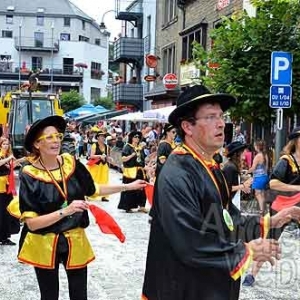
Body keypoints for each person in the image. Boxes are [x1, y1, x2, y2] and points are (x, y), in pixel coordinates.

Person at [141, 85, 300, 300]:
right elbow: (189, 241)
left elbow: (224, 220)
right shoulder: (176, 172)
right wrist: (247, 251)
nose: (220, 124)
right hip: (183, 288)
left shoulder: (209, 166)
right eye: (210, 117)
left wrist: (270, 221)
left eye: (221, 116)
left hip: (210, 285)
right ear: (187, 126)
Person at [17, 116, 146, 300]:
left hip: (74, 240)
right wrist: (66, 211)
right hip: (44, 243)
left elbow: (93, 189)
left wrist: (128, 186)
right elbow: (32, 224)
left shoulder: (70, 162)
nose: (56, 141)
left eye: (58, 136)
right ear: (37, 144)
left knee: (79, 296)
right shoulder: (29, 174)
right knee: (49, 296)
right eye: (49, 137)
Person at [243, 127, 300, 287]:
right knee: (270, 241)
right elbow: (273, 182)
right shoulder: (286, 161)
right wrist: (297, 188)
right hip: (283, 206)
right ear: (296, 141)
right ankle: (251, 275)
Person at [118, 131, 148, 213]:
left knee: (142, 188)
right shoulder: (127, 147)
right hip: (130, 172)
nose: (137, 138)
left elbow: (142, 159)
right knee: (130, 188)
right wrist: (131, 155)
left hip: (140, 171)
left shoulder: (140, 148)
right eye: (135, 137)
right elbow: (123, 159)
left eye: (138, 137)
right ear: (131, 138)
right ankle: (128, 206)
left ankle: (142, 206)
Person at [222, 141, 252, 210]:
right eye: (242, 154)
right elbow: (227, 188)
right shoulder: (230, 167)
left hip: (233, 203)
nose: (243, 157)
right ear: (237, 154)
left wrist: (243, 187)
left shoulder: (232, 166)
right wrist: (243, 186)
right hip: (230, 204)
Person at [0, 138, 17, 245]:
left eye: (7, 144)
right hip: (0, 187)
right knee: (2, 211)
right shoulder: (2, 155)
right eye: (4, 144)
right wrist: (10, 158)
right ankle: (3, 237)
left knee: (7, 211)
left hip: (7, 186)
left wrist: (23, 160)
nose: (6, 145)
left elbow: (10, 167)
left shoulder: (7, 155)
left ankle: (5, 236)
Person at [246, 139, 269, 214]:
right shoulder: (265, 155)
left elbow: (253, 168)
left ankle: (262, 211)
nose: (254, 147)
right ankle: (264, 209)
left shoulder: (258, 156)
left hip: (258, 177)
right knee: (262, 194)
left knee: (258, 194)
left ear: (257, 147)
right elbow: (267, 167)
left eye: (255, 146)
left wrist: (246, 172)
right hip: (264, 176)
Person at [87, 131, 110, 202]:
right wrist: (100, 156)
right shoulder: (94, 145)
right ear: (97, 137)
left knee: (104, 180)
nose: (102, 138)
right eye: (101, 136)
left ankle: (104, 196)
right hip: (95, 165)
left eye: (103, 136)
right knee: (93, 179)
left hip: (103, 166)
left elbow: (107, 156)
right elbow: (91, 156)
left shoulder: (107, 146)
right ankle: (90, 194)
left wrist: (109, 159)